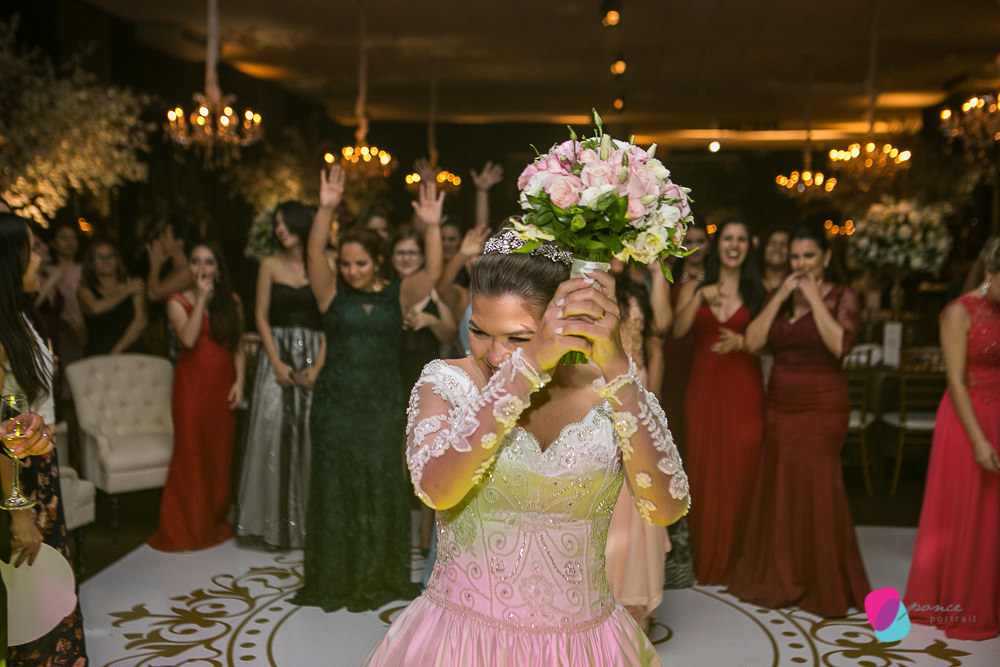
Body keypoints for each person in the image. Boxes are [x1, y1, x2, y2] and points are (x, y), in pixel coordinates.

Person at [362, 228, 690, 666]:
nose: (495, 355)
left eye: (518, 338)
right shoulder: (447, 382)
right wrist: (525, 367)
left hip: (584, 646)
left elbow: (666, 507)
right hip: (462, 641)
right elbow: (435, 489)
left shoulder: (611, 394)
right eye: (479, 331)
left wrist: (617, 369)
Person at [293, 166, 443, 612]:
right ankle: (335, 577)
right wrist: (325, 208)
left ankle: (378, 575)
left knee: (380, 485)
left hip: (380, 406)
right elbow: (313, 252)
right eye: (345, 264)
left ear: (377, 260)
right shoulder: (330, 294)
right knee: (336, 487)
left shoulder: (398, 294)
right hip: (335, 406)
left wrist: (432, 227)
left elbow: (434, 271)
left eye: (360, 263)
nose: (351, 271)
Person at [728, 222, 870, 617]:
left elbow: (839, 345)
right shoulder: (779, 296)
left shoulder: (843, 296)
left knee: (819, 486)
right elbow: (753, 342)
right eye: (795, 257)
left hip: (822, 405)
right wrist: (779, 298)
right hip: (780, 404)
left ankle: (824, 579)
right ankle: (785, 573)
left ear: (826, 257)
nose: (801, 263)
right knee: (784, 486)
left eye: (809, 256)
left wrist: (814, 300)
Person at [0, 212, 88, 666]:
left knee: (52, 585)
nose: (40, 258)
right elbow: (0, 426)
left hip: (41, 470)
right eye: (32, 250)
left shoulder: (21, 316)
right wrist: (18, 511)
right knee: (31, 592)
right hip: (20, 478)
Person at [904, 236, 1000, 640]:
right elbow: (956, 381)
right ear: (992, 271)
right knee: (969, 508)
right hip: (967, 417)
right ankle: (959, 601)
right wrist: (978, 440)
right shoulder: (959, 312)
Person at [671, 218, 765, 586]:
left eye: (741, 239)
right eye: (728, 238)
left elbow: (770, 340)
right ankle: (706, 560)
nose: (734, 245)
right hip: (704, 386)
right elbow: (677, 331)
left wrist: (744, 342)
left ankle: (741, 560)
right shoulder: (696, 285)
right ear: (716, 244)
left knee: (743, 468)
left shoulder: (759, 291)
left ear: (748, 246)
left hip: (744, 388)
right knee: (704, 468)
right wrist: (698, 297)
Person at [236, 202, 324, 550]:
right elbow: (260, 316)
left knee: (311, 435)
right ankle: (273, 528)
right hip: (277, 353)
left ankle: (309, 527)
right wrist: (274, 361)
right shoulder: (269, 265)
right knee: (271, 434)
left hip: (315, 354)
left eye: (286, 222)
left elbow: (331, 316)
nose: (280, 229)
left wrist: (319, 365)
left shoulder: (325, 263)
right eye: (276, 224)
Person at [147, 243, 245, 552]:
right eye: (195, 261)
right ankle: (187, 527)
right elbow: (188, 339)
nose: (202, 268)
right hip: (191, 388)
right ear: (188, 268)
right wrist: (201, 299)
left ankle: (213, 520)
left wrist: (241, 381)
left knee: (219, 454)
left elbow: (238, 344)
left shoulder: (232, 301)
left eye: (209, 262)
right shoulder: (176, 302)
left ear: (218, 268)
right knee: (191, 453)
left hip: (222, 385)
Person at [604, 258, 673, 632]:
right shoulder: (581, 287)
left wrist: (657, 268)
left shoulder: (635, 290)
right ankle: (604, 598)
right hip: (598, 395)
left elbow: (662, 327)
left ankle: (636, 598)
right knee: (609, 497)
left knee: (640, 496)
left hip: (639, 395)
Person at [78, 239, 148, 356]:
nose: (106, 261)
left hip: (132, 352)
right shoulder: (83, 290)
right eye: (99, 257)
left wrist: (116, 351)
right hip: (98, 354)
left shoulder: (133, 284)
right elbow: (96, 308)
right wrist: (127, 291)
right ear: (91, 263)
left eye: (110, 256)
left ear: (117, 260)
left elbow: (141, 320)